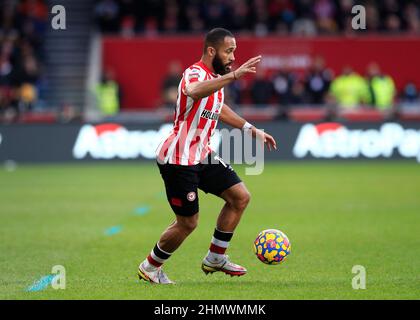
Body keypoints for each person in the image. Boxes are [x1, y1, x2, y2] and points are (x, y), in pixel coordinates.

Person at [137, 28, 277, 284]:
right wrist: (234, 76)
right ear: (212, 51)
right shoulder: (195, 73)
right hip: (178, 160)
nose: (233, 57)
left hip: (202, 155)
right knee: (188, 223)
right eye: (229, 51)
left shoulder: (217, 79)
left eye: (234, 51)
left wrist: (251, 130)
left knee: (240, 197)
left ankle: (215, 257)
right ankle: (150, 266)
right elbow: (193, 91)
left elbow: (218, 109)